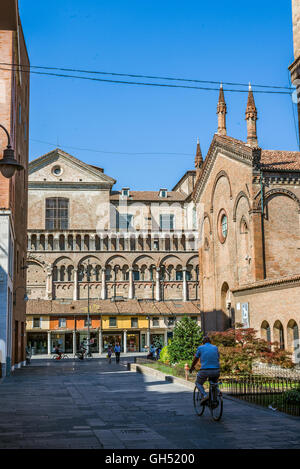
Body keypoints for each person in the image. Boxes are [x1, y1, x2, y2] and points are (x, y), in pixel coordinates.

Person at [189, 336, 220, 405]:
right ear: (210, 342)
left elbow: (195, 359)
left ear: (203, 342)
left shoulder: (200, 348)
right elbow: (218, 358)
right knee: (214, 383)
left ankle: (205, 396)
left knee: (198, 383)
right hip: (216, 370)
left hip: (205, 370)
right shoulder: (215, 347)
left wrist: (192, 367)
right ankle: (215, 399)